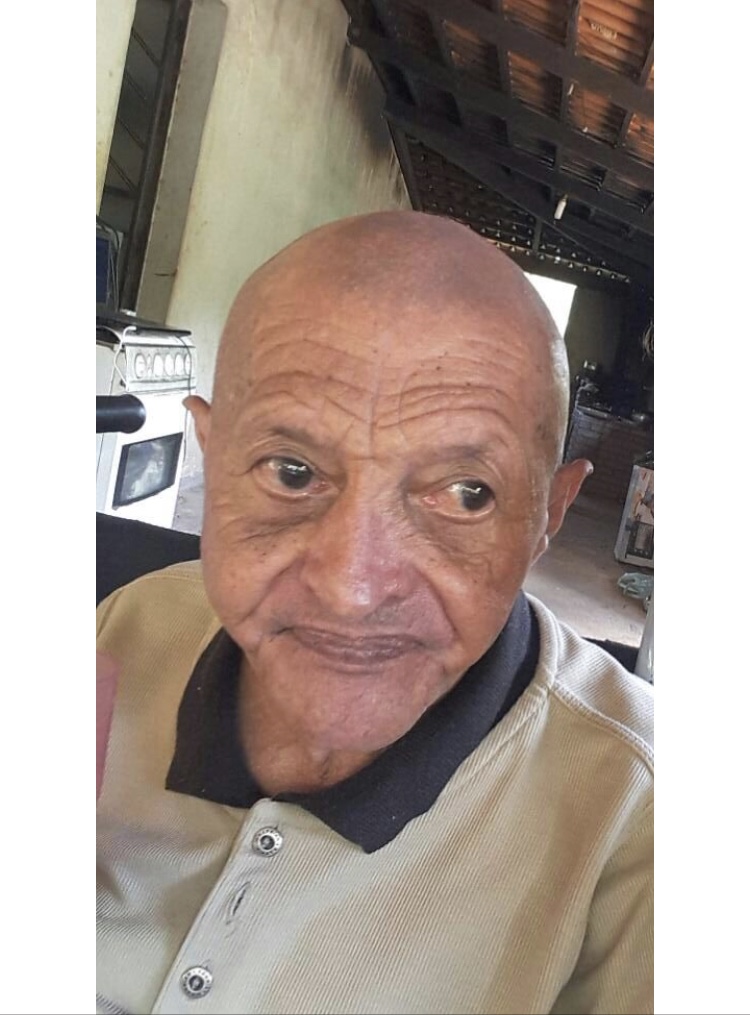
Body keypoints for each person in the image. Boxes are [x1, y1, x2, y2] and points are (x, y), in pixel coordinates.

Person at [97, 211, 653, 1015]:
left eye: (467, 493)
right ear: (213, 460)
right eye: (291, 471)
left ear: (549, 514)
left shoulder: (641, 822)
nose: (351, 588)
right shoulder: (132, 625)